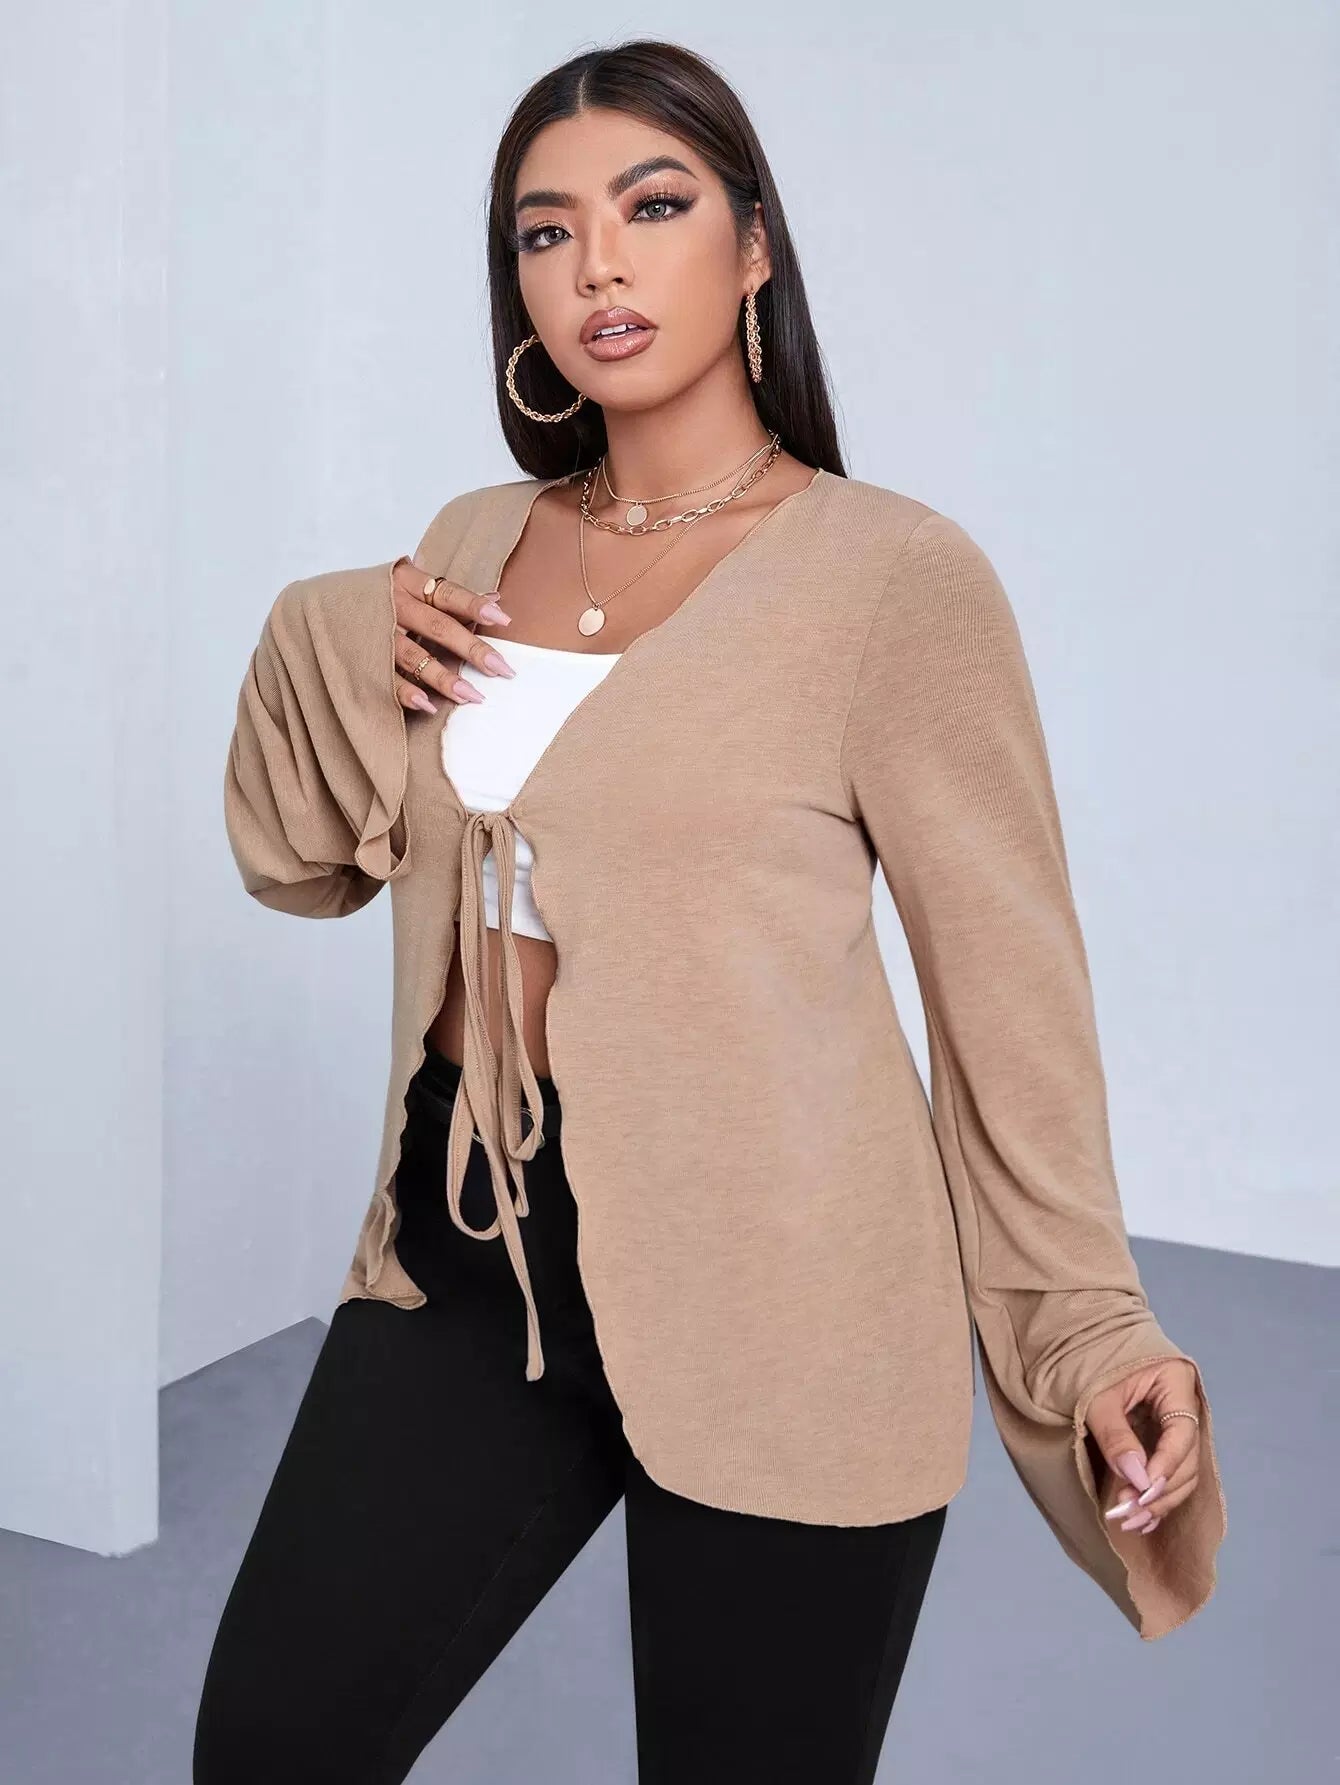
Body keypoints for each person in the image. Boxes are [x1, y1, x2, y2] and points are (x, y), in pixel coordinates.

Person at [195, 36, 1226, 1785]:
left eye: (653, 206)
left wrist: (1091, 1327)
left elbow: (1010, 1005)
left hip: (789, 1285)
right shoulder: (467, 543)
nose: (596, 264)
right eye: (546, 231)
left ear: (753, 246)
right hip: (478, 1251)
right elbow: (303, 858)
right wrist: (324, 628)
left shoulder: (892, 579)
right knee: (272, 1742)